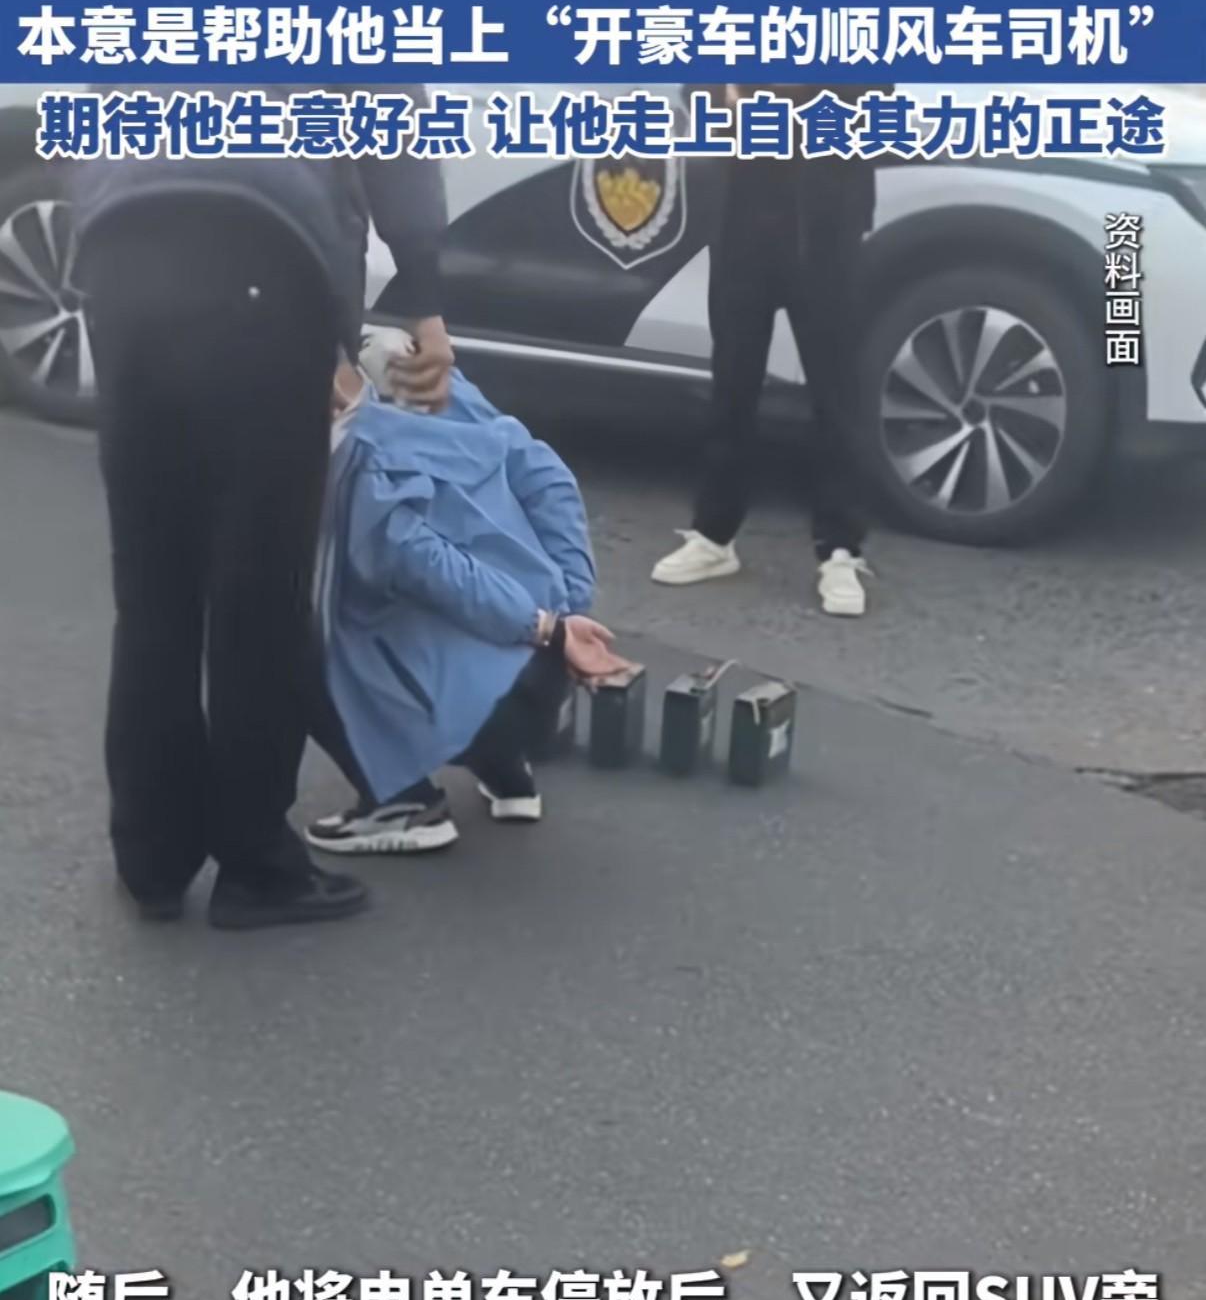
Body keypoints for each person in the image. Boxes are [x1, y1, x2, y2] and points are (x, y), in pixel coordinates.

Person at [69, 102, 454, 929]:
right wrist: (424, 301)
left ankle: (150, 859)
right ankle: (255, 866)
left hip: (123, 245)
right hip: (266, 247)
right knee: (258, 594)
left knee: (153, 589)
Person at [305, 351, 618, 855]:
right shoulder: (421, 376)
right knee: (430, 587)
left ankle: (404, 805)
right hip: (548, 672)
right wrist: (570, 609)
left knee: (281, 637)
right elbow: (544, 474)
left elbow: (425, 563)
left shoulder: (357, 460)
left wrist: (547, 627)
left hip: (498, 687)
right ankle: (505, 771)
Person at [653, 80, 881, 617]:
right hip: (742, 216)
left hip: (826, 222)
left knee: (834, 389)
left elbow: (870, 100)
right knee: (733, 380)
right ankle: (714, 534)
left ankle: (841, 549)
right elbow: (700, 88)